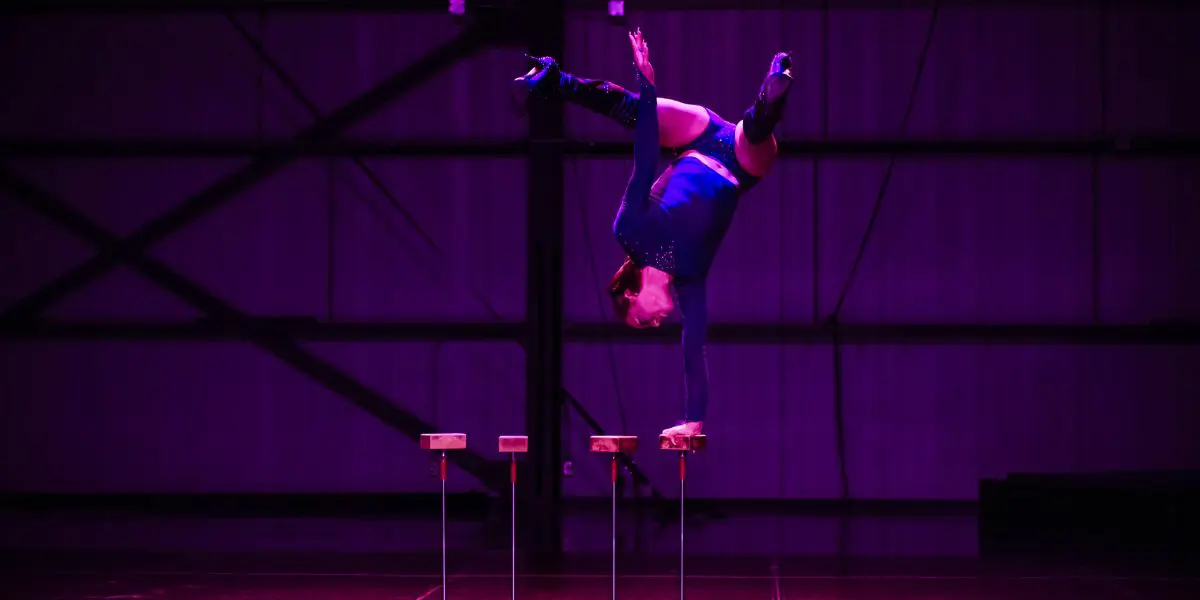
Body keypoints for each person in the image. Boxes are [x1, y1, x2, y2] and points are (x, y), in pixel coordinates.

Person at [513, 29, 793, 442]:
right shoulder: (690, 279)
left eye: (644, 320)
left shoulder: (629, 231)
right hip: (739, 166)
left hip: (697, 140)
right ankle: (768, 102)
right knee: (756, 137)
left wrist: (646, 82)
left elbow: (644, 157)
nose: (658, 321)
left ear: (631, 294)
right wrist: (692, 421)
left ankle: (553, 79)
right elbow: (693, 351)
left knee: (636, 111)